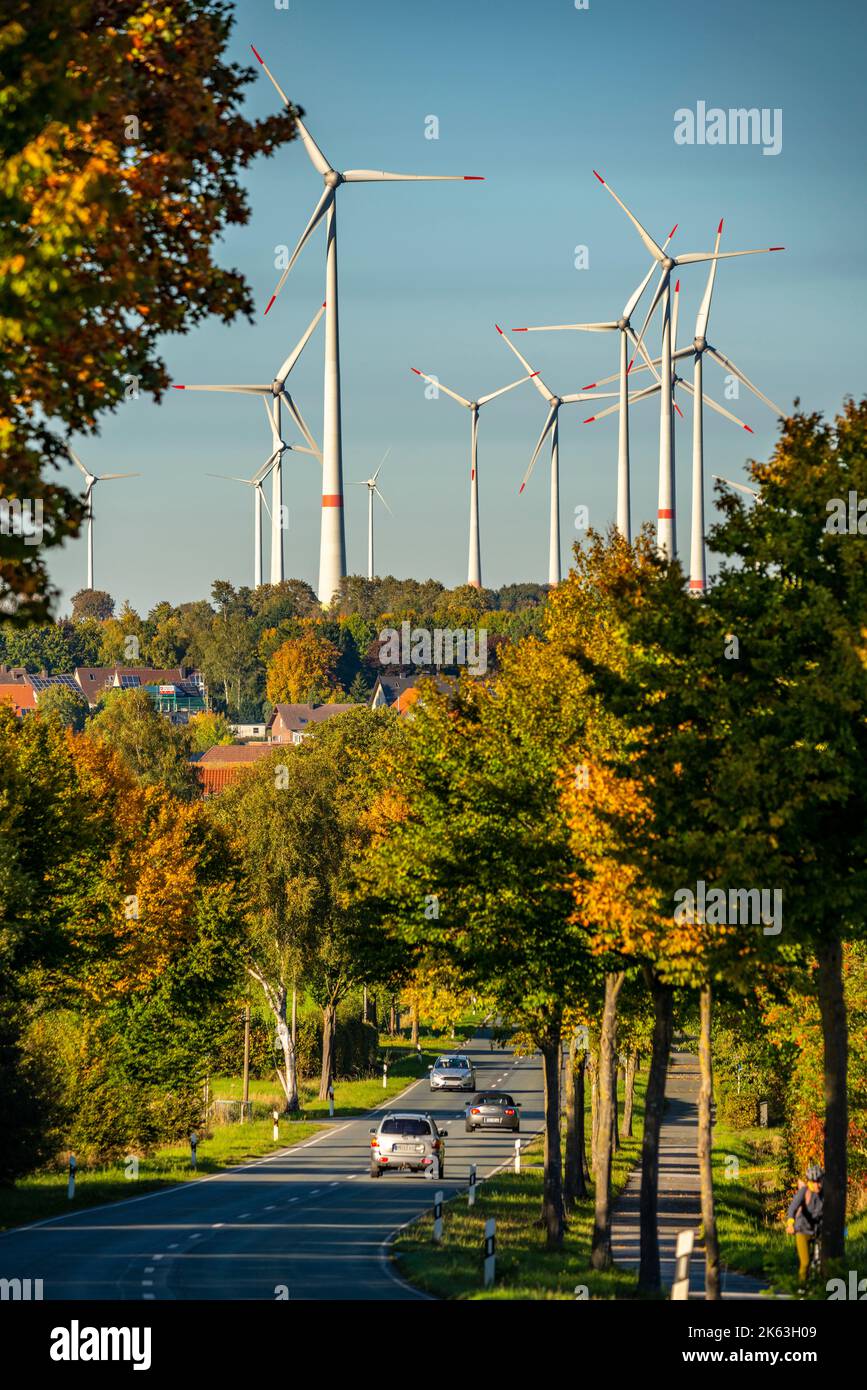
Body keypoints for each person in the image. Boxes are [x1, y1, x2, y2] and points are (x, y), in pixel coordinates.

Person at [786, 1163, 824, 1293]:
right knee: (806, 1262)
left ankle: (820, 1289)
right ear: (809, 1182)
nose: (817, 1185)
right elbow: (792, 1208)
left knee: (823, 1262)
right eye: (814, 1182)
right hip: (802, 1230)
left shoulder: (824, 1193)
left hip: (818, 1231)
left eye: (819, 1181)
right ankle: (802, 1289)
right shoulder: (804, 1192)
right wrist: (790, 1224)